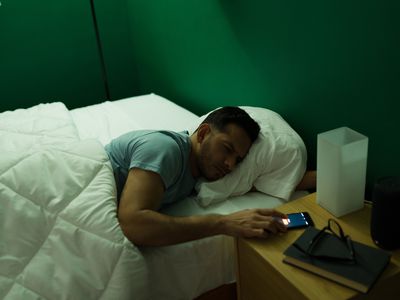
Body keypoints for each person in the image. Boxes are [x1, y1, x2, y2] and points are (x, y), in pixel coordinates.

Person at [105, 106, 288, 246]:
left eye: (238, 160)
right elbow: (133, 224)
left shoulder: (195, 171)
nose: (230, 165)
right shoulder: (165, 150)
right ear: (203, 133)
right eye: (227, 148)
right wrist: (223, 223)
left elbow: (266, 182)